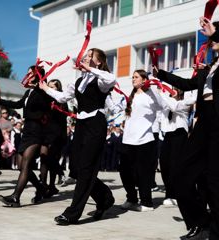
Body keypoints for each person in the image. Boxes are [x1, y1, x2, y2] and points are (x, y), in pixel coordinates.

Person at [152, 19, 219, 240]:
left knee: (212, 180)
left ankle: (213, 231)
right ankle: (200, 223)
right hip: (204, 121)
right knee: (181, 175)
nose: (210, 41)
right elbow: (188, 85)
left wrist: (214, 32)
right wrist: (160, 74)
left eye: (213, 37)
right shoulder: (210, 67)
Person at [39, 48, 116, 225]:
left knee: (87, 169)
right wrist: (45, 88)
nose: (86, 57)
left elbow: (112, 79)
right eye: (86, 55)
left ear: (98, 62)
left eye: (90, 56)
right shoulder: (79, 81)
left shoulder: (101, 79)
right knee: (76, 169)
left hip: (95, 123)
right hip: (81, 125)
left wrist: (91, 70)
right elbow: (63, 97)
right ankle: (105, 198)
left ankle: (72, 213)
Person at [0, 65, 53, 207]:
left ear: (36, 75)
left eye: (29, 73)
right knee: (22, 166)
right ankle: (41, 188)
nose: (27, 75)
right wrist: (1, 100)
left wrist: (42, 87)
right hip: (26, 130)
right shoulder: (29, 92)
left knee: (26, 164)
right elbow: (18, 104)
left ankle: (15, 197)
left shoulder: (43, 92)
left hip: (37, 131)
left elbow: (46, 107)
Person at [119, 70, 163, 212]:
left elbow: (161, 105)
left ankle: (147, 203)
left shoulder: (150, 94)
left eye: (136, 77)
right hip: (128, 140)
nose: (133, 79)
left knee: (143, 172)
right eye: (132, 77)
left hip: (145, 139)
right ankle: (131, 198)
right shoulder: (131, 96)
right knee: (124, 171)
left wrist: (151, 86)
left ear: (144, 79)